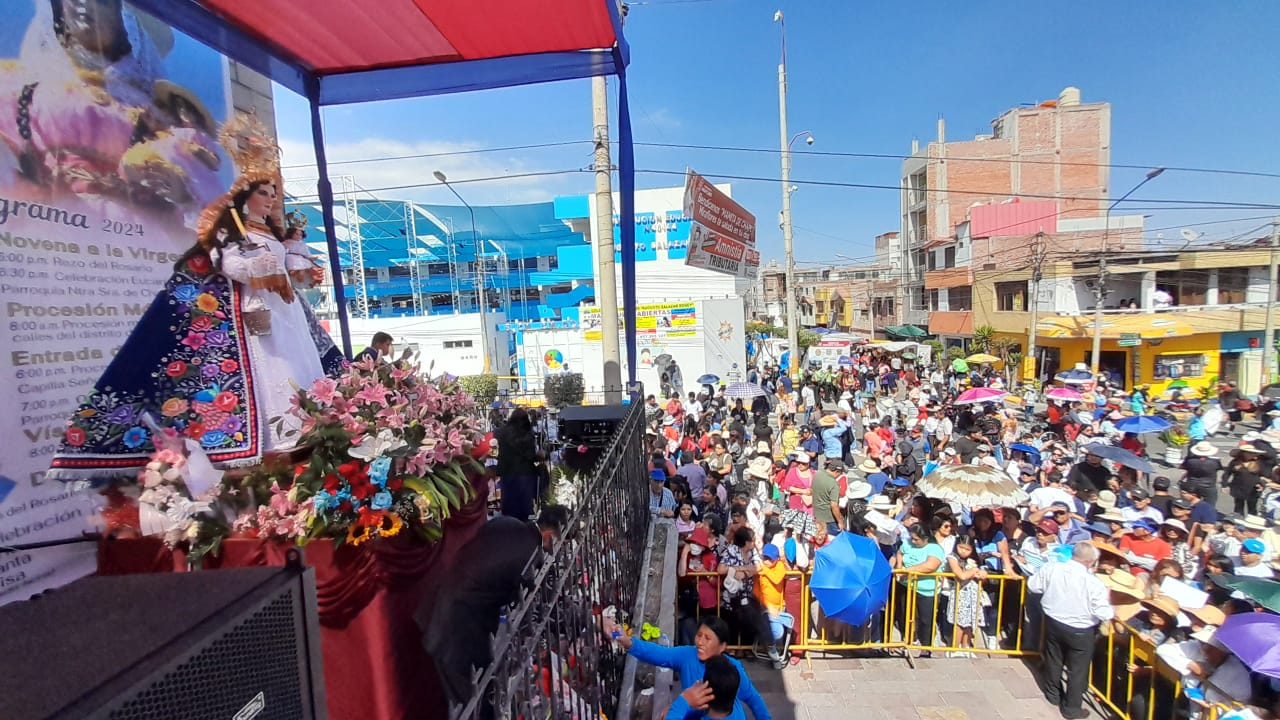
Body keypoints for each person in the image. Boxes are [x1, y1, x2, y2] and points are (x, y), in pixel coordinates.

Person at [50, 150, 344, 479]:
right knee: (277, 371)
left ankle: (310, 432)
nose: (271, 199)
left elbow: (293, 270)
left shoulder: (272, 234)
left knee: (302, 366)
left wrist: (302, 266)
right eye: (263, 192)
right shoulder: (231, 231)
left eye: (274, 194)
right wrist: (261, 270)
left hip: (287, 313)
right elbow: (229, 263)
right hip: (255, 315)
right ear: (246, 196)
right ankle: (279, 441)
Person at [417, 506, 568, 708]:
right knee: (471, 702)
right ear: (549, 535)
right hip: (458, 631)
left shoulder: (507, 522)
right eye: (560, 542)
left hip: (439, 603)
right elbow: (533, 607)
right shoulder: (532, 559)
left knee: (462, 697)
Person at [607, 615, 773, 720]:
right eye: (699, 635)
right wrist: (628, 642)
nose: (700, 642)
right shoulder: (688, 655)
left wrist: (679, 706)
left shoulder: (730, 670)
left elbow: (753, 699)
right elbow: (660, 654)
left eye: (707, 638)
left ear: (722, 647)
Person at [1028, 542, 1115, 720]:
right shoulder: (1093, 583)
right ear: (1091, 561)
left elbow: (1033, 585)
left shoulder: (1051, 568)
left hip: (1053, 622)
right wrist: (1108, 600)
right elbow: (1104, 612)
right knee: (1078, 669)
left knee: (1054, 659)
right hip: (1080, 630)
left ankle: (1053, 695)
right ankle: (1071, 708)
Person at [665, 655, 746, 720]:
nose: (698, 682)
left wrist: (684, 701)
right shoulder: (735, 706)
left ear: (708, 694)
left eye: (702, 681)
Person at [496, 408, 541, 520]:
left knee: (509, 505)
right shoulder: (527, 434)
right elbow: (530, 456)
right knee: (523, 507)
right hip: (523, 473)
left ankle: (508, 529)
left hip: (507, 473)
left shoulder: (502, 433)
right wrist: (540, 455)